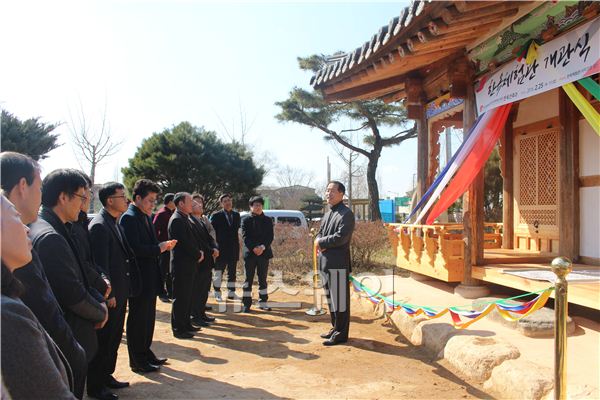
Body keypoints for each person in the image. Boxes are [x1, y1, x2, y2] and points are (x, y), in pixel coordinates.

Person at [0, 152, 87, 399]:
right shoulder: (7, 315)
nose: (27, 230)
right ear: (23, 185)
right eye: (15, 217)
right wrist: (76, 354)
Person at [28, 169, 109, 367]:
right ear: (63, 197)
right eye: (81, 197)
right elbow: (71, 293)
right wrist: (100, 311)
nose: (84, 204)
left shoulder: (58, 226)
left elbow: (82, 270)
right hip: (67, 337)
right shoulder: (51, 237)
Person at [87, 182, 142, 400]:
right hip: (111, 295)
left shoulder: (114, 222)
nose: (126, 200)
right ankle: (96, 386)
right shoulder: (100, 225)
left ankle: (106, 375)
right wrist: (107, 295)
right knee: (104, 340)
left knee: (114, 338)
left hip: (120, 291)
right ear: (110, 200)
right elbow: (101, 266)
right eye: (122, 196)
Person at [120, 179, 173, 372]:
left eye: (154, 200)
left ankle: (145, 352)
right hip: (139, 278)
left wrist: (160, 246)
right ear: (137, 198)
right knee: (138, 320)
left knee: (148, 318)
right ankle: (137, 360)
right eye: (150, 200)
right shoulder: (129, 218)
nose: (153, 204)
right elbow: (133, 249)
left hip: (150, 276)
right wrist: (158, 248)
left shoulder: (144, 216)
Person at [315, 181, 355, 346]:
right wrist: (318, 240)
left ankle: (341, 333)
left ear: (341, 194)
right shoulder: (328, 213)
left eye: (332, 191)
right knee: (331, 300)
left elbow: (341, 237)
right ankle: (334, 327)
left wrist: (321, 242)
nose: (328, 194)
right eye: (327, 190)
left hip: (338, 264)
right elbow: (320, 232)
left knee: (340, 301)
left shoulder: (346, 214)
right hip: (325, 262)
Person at [71, 173, 112, 306]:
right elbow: (84, 264)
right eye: (86, 192)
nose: (88, 197)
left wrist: (103, 279)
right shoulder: (71, 227)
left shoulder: (81, 222)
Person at [168, 192, 202, 339]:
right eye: (189, 201)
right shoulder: (176, 220)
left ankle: (186, 324)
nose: (192, 204)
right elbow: (184, 243)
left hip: (189, 264)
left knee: (187, 296)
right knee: (180, 298)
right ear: (181, 204)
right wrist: (197, 254)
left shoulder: (184, 218)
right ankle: (179, 328)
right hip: (181, 265)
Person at [241, 196, 274, 313]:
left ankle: (263, 302)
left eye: (260, 205)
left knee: (263, 280)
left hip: (264, 253)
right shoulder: (245, 220)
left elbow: (270, 236)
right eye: (255, 205)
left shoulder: (268, 220)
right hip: (250, 253)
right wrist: (254, 247)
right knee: (247, 279)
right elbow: (245, 236)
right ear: (251, 207)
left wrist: (262, 247)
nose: (258, 207)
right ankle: (246, 304)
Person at [189, 195, 218, 325]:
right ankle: (196, 316)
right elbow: (199, 242)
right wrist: (211, 250)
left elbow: (210, 237)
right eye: (196, 204)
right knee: (197, 290)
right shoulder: (190, 221)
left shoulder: (202, 220)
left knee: (204, 289)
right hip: (199, 260)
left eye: (201, 203)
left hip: (208, 259)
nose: (200, 206)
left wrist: (214, 247)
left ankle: (201, 313)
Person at [210, 194, 241, 301]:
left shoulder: (236, 215)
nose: (228, 202)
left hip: (233, 248)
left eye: (229, 200)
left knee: (232, 272)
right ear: (221, 203)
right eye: (225, 201)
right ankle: (217, 292)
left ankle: (231, 292)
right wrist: (214, 247)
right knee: (219, 272)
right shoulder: (216, 215)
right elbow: (212, 233)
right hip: (220, 248)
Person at [153, 193, 175, 302]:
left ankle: (170, 292)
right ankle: (161, 292)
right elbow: (154, 230)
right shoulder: (161, 213)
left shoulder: (173, 213)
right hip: (163, 247)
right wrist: (159, 244)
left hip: (172, 247)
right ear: (170, 201)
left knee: (170, 270)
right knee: (162, 270)